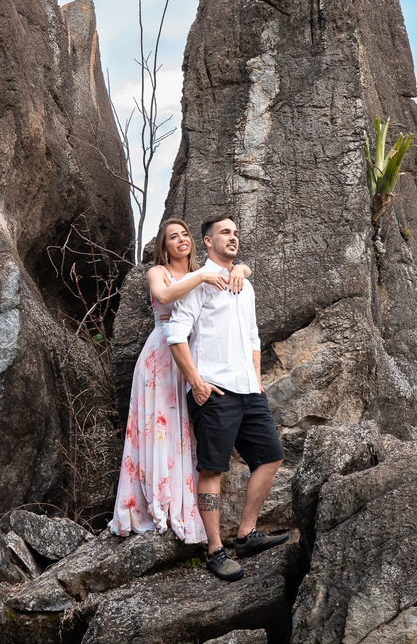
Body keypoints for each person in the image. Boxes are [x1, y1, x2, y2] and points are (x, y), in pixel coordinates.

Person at [109, 218, 251, 544]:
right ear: (165, 245)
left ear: (194, 240)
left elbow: (237, 270)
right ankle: (156, 503)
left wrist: (242, 270)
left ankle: (183, 504)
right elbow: (164, 293)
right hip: (160, 358)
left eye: (185, 234)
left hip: (191, 359)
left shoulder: (207, 271)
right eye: (173, 237)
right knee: (160, 429)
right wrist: (199, 275)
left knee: (187, 433)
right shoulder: (158, 272)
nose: (181, 240)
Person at [164, 212, 288, 581]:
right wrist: (196, 383)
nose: (233, 238)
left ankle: (246, 534)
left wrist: (257, 376)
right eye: (224, 233)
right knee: (212, 469)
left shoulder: (245, 285)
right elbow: (175, 335)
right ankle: (215, 549)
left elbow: (253, 336)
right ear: (207, 242)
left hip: (248, 389)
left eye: (235, 233)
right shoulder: (195, 283)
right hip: (214, 389)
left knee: (271, 457)